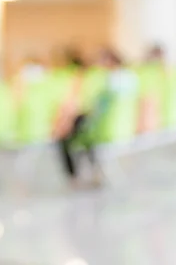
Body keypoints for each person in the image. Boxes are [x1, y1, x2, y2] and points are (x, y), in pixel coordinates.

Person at [56, 49, 136, 186]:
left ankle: (75, 175)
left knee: (70, 137)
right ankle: (92, 171)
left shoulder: (110, 83)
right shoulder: (130, 78)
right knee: (80, 133)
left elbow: (97, 109)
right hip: (124, 127)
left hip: (104, 130)